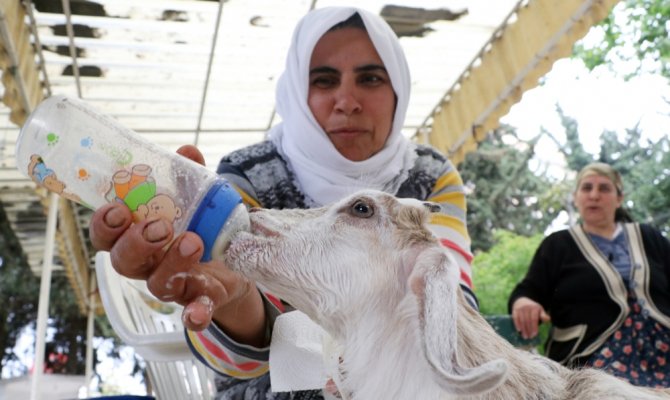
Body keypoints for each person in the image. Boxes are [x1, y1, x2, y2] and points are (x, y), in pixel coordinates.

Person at [90, 7, 476, 399]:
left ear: (399, 90)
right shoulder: (247, 174)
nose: (347, 101)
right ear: (295, 90)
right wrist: (236, 299)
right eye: (323, 80)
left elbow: (450, 306)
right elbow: (244, 341)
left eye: (371, 78)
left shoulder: (430, 176)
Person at [509, 162, 670, 388]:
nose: (594, 195)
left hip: (663, 347)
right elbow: (528, 290)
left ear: (619, 198)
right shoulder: (557, 245)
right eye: (586, 188)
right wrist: (524, 302)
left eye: (604, 188)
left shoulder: (649, 237)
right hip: (593, 356)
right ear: (576, 197)